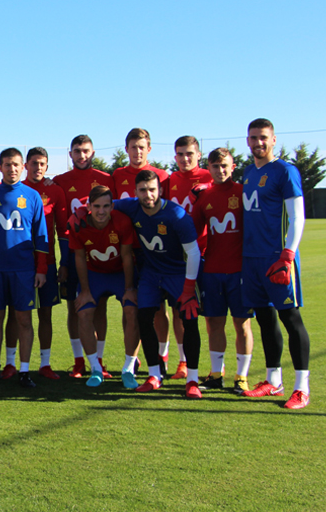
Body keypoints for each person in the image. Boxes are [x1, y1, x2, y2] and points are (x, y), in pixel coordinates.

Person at [109, 170, 203, 398]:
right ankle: (154, 375)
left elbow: (194, 253)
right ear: (135, 192)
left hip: (178, 273)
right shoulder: (131, 206)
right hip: (151, 273)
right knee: (144, 318)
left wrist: (189, 288)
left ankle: (192, 379)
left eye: (152, 189)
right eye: (142, 190)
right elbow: (103, 203)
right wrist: (82, 211)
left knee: (188, 321)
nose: (148, 194)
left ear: (160, 190)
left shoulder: (177, 215)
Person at [239, 118, 311, 409]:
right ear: (247, 141)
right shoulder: (247, 173)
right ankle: (273, 381)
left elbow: (297, 217)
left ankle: (302, 388)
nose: (259, 143)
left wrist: (288, 254)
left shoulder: (285, 171)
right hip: (251, 259)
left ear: (274, 139)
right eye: (254, 138)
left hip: (277, 258)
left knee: (290, 318)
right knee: (266, 320)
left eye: (264, 138)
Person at [0, 148, 48, 388]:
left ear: (23, 166)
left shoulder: (33, 196)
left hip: (24, 270)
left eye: (16, 164)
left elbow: (41, 236)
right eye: (7, 165)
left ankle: (24, 371)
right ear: (0, 168)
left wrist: (41, 269)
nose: (12, 169)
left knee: (24, 320)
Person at [111, 128, 175, 378]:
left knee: (160, 309)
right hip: (128, 249)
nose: (137, 151)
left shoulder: (162, 176)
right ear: (126, 149)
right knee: (131, 307)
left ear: (149, 149)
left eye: (142, 147)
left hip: (156, 252)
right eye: (133, 147)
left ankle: (163, 354)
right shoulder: (117, 175)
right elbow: (108, 204)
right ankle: (133, 357)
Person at [190, 148, 254, 394]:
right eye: (215, 166)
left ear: (233, 166)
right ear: (209, 168)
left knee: (242, 324)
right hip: (213, 271)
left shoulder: (243, 193)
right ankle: (216, 375)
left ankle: (241, 377)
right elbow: (192, 233)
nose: (221, 170)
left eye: (225, 165)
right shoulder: (204, 198)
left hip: (240, 271)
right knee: (214, 323)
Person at [52, 135, 114, 378]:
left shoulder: (107, 180)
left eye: (86, 151)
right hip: (70, 247)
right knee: (73, 307)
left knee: (100, 307)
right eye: (77, 151)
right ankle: (79, 360)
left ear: (93, 153)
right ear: (70, 154)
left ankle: (98, 360)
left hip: (99, 249)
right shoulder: (59, 181)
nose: (81, 155)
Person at [68, 185, 139, 388]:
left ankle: (128, 368)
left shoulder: (122, 221)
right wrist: (85, 291)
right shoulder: (79, 224)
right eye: (97, 206)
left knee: (132, 310)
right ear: (88, 206)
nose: (101, 211)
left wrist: (129, 289)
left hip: (118, 273)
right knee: (83, 312)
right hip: (94, 274)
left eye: (106, 206)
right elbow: (80, 258)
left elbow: (126, 257)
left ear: (112, 206)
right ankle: (95, 368)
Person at [163, 136, 214, 379]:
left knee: (210, 312)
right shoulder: (170, 180)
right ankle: (182, 363)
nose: (185, 159)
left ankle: (218, 368)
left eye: (189, 154)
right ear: (175, 157)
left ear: (198, 155)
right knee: (178, 310)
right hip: (176, 257)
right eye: (180, 154)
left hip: (205, 254)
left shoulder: (210, 177)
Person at [19, 147, 67, 380]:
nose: (38, 167)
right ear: (26, 165)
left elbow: (63, 230)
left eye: (42, 164)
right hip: (18, 264)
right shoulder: (15, 190)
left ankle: (45, 364)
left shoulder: (55, 190)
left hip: (46, 262)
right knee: (17, 314)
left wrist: (64, 263)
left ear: (47, 167)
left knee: (45, 315)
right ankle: (13, 363)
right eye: (34, 163)